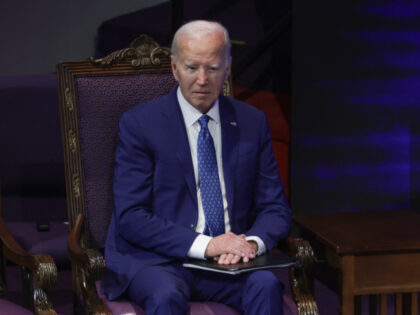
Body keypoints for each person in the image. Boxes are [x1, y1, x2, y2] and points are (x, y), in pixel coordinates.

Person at [103, 20, 292, 314]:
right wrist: (206, 245)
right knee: (166, 296)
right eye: (192, 68)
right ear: (174, 68)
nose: (202, 80)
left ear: (227, 68)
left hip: (230, 263)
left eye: (213, 68)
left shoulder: (252, 122)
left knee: (265, 285)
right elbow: (131, 216)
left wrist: (251, 245)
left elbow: (275, 208)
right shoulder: (140, 124)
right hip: (159, 260)